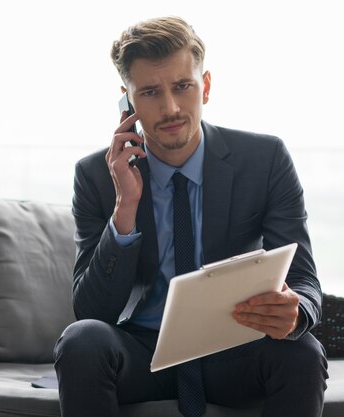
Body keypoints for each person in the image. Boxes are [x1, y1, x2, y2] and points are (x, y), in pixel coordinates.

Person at [53, 15, 328, 417]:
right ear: (127, 100)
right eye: (149, 92)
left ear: (207, 86)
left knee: (301, 352)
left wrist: (296, 310)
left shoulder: (265, 159)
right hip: (142, 351)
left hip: (232, 347)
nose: (170, 108)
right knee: (82, 340)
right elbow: (93, 311)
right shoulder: (96, 175)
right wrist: (125, 208)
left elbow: (305, 281)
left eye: (183, 86)